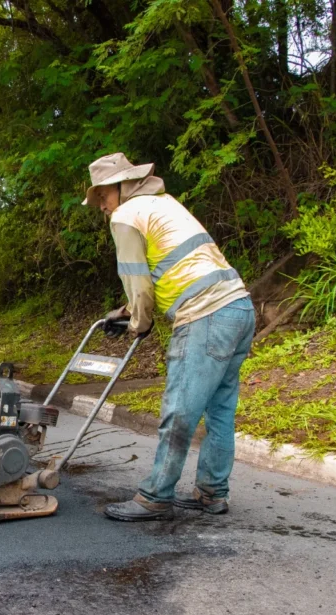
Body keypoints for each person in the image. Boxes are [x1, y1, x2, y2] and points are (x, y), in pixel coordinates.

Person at [83, 153, 257, 521]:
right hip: (238, 307)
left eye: (103, 196)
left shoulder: (125, 215)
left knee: (179, 409)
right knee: (221, 410)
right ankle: (212, 493)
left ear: (121, 186)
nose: (102, 205)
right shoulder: (163, 204)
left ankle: (155, 496)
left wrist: (138, 324)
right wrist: (129, 310)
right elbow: (173, 268)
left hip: (205, 315)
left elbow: (139, 284)